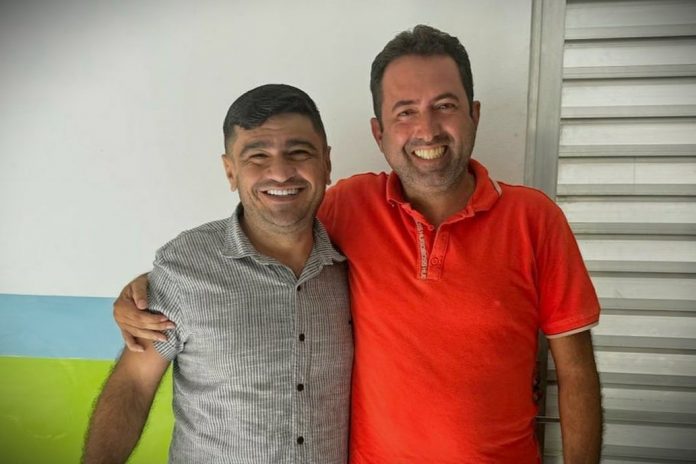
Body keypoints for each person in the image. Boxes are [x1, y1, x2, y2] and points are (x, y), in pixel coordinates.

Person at [114, 25, 602, 463]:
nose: (427, 129)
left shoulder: (535, 220)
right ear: (378, 131)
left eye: (445, 106)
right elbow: (267, 228)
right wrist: (151, 286)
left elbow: (576, 373)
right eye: (405, 112)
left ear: (474, 115)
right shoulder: (347, 207)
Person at [83, 84, 353, 464]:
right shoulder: (185, 266)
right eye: (257, 155)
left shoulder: (354, 261)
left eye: (299, 152)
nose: (279, 172)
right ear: (230, 171)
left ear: (326, 163)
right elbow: (134, 384)